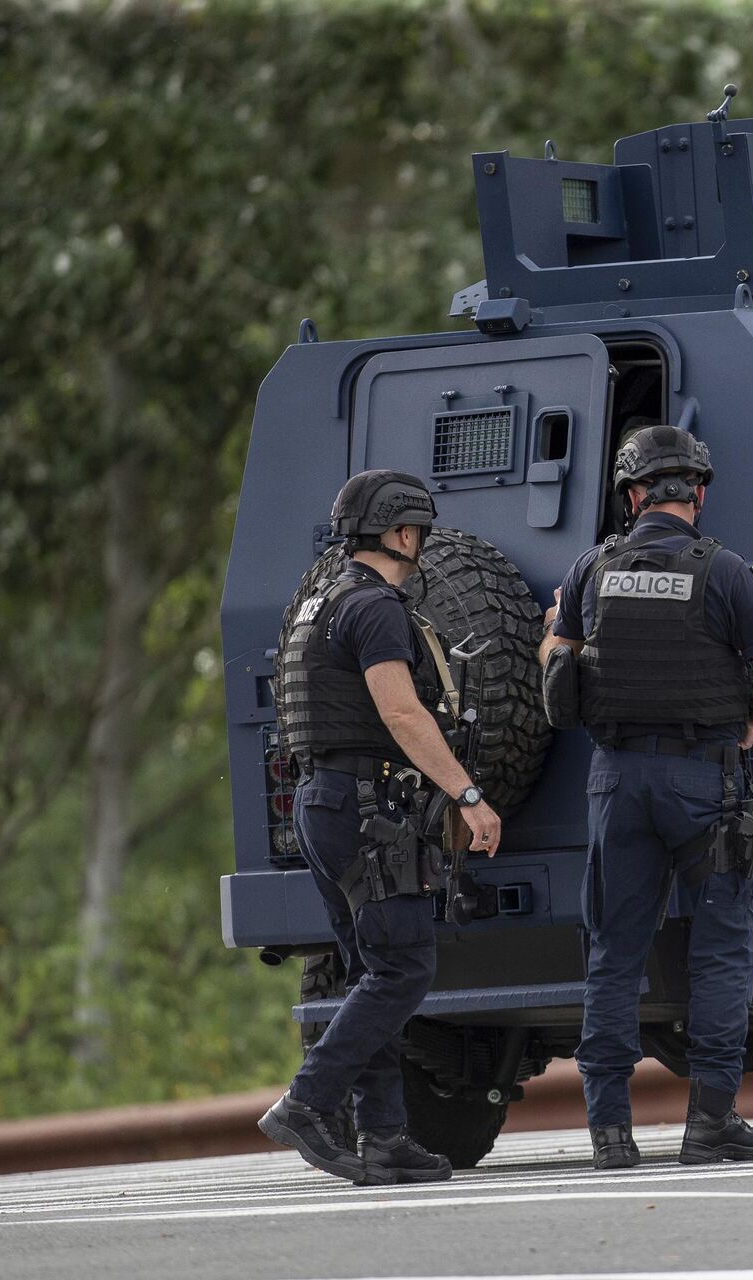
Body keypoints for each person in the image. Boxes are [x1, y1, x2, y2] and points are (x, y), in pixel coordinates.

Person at [539, 425, 753, 1171]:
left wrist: (559, 626)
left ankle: (610, 1134)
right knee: (721, 953)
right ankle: (710, 1124)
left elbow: (556, 675)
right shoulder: (725, 573)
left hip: (617, 780)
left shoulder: (590, 569)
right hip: (702, 780)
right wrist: (748, 725)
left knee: (614, 954)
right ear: (698, 493)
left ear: (631, 496)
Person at [259, 470, 501, 1186]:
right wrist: (467, 794)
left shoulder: (317, 604)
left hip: (322, 801)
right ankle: (307, 1101)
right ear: (400, 534)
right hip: (364, 806)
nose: (421, 545)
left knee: (372, 970)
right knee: (403, 967)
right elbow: (400, 713)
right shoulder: (374, 608)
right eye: (418, 532)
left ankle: (386, 1136)